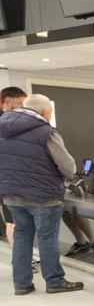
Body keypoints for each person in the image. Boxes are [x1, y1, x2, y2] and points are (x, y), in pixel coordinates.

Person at [0, 93, 84, 294]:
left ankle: (21, 284)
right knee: (47, 238)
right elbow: (68, 166)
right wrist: (71, 178)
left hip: (11, 194)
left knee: (21, 237)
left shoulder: (2, 126)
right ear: (45, 112)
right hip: (43, 196)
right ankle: (54, 281)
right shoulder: (46, 132)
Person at [0, 86, 28, 246]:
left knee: (17, 221)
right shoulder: (6, 123)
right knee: (13, 221)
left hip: (14, 178)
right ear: (8, 102)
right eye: (19, 104)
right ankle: (21, 258)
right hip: (7, 180)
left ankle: (22, 256)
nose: (22, 108)